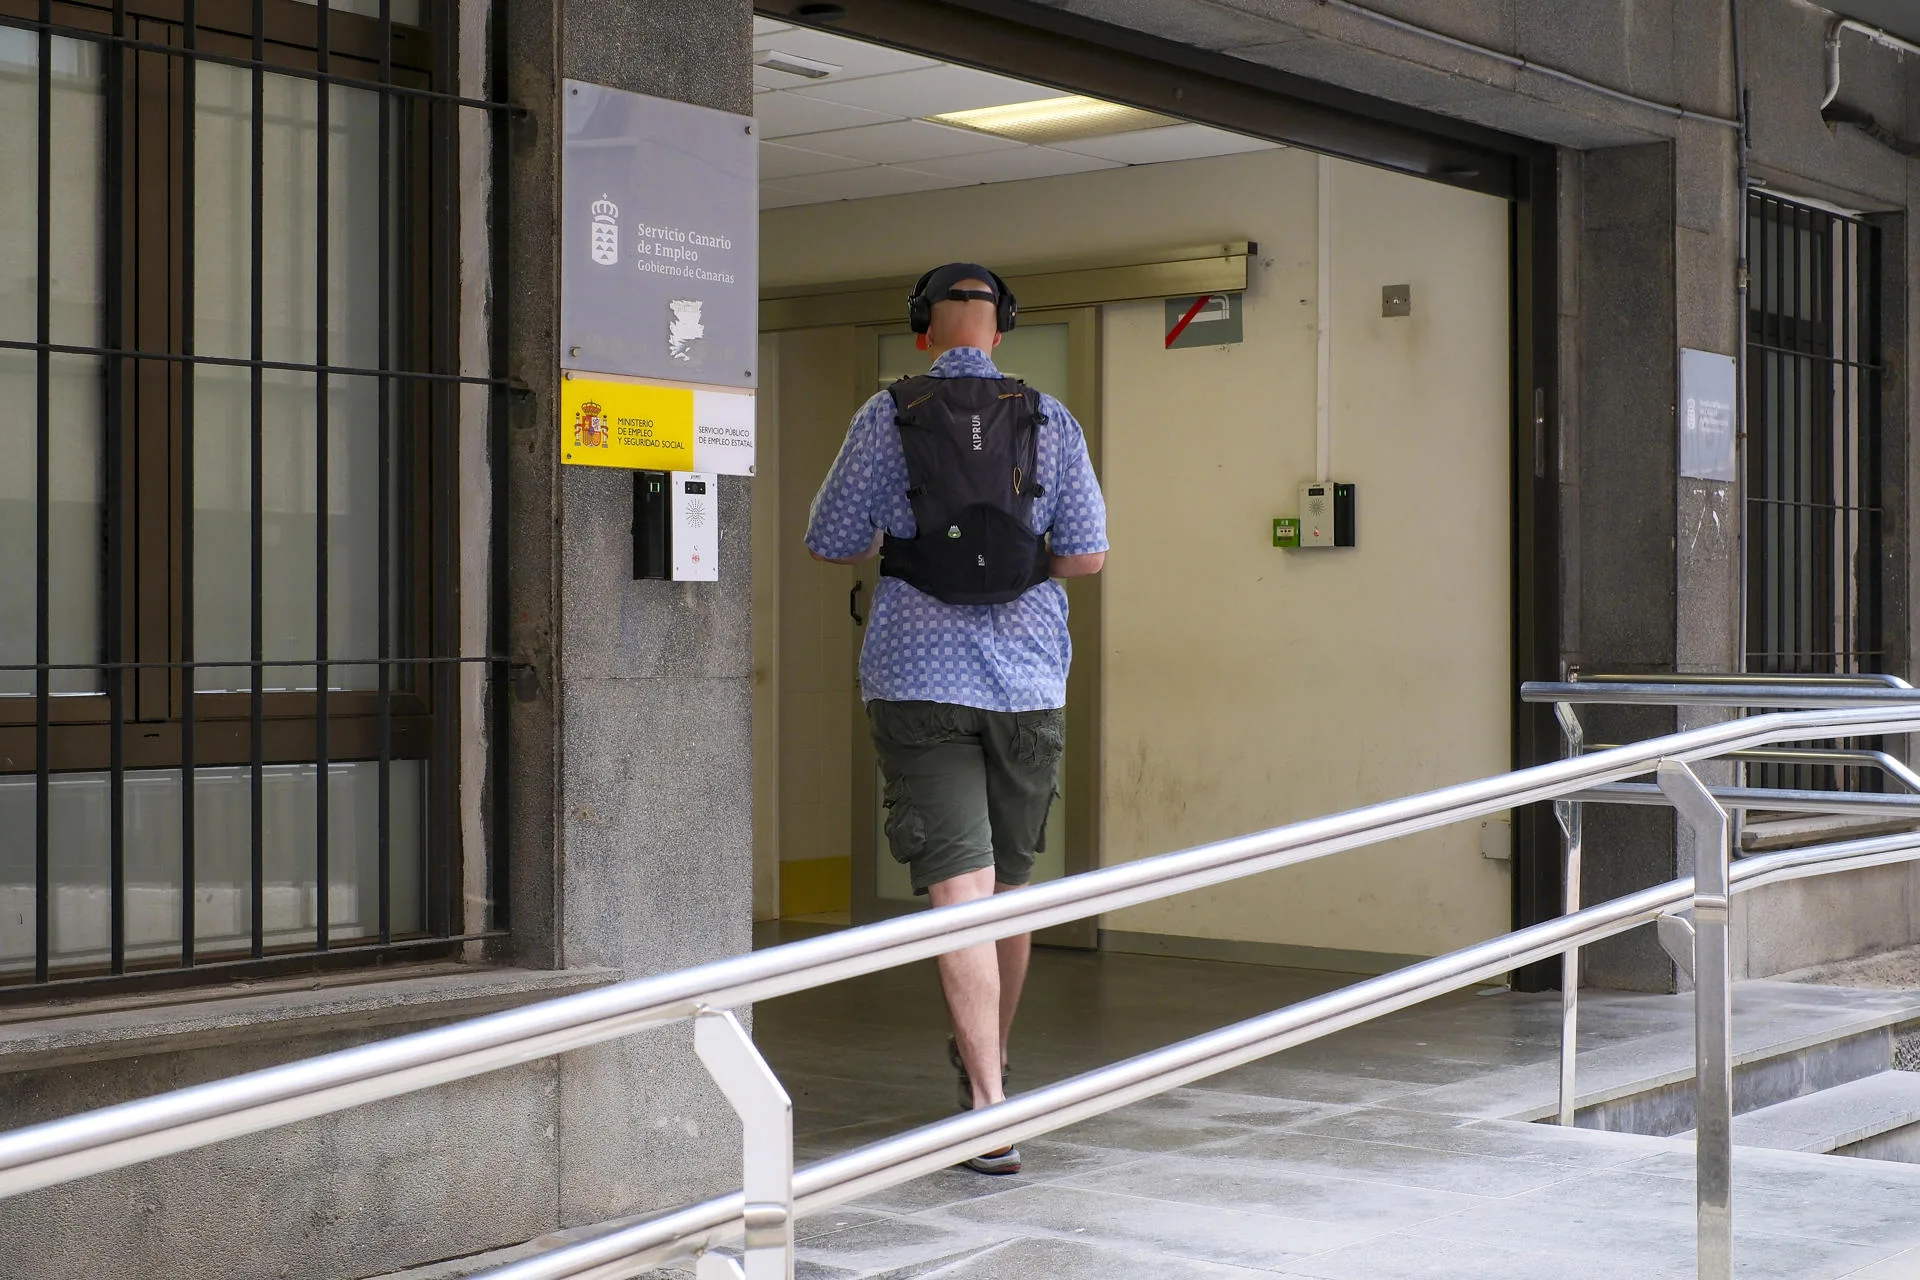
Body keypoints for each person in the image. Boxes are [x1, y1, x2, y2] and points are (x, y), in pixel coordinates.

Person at [805, 262, 1108, 1176]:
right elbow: (1086, 557)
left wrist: (894, 541)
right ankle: (992, 1067)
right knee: (1009, 891)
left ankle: (988, 1106)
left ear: (922, 331)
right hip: (1028, 684)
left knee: (957, 896)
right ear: (1001, 331)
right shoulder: (1050, 417)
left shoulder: (885, 414)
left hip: (918, 678)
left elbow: (832, 541)